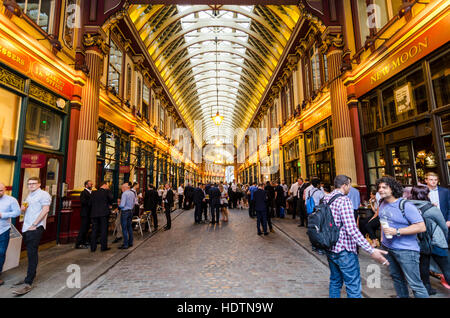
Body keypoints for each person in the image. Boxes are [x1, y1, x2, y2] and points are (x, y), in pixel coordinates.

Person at [323, 175, 389, 298]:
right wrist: (370, 249)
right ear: (344, 185)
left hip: (330, 247)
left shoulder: (326, 198)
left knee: (335, 281)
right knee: (353, 285)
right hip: (344, 249)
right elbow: (351, 229)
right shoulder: (344, 200)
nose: (350, 188)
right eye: (349, 185)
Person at [377, 176, 429, 298]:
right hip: (389, 248)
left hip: (406, 250)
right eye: (379, 187)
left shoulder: (405, 205)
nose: (380, 190)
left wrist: (397, 231)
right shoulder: (383, 203)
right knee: (397, 280)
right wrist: (382, 239)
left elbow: (421, 227)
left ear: (393, 188)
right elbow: (383, 221)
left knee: (415, 284)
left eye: (384, 187)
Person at [12, 177, 51, 296]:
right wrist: (23, 210)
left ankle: (29, 282)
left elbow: (45, 210)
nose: (31, 185)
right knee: (30, 253)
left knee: (32, 253)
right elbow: (26, 211)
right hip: (26, 227)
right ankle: (28, 277)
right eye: (29, 184)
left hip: (35, 227)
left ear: (39, 184)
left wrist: (35, 224)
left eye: (33, 183)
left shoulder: (44, 194)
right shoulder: (29, 195)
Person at [409, 185, 450, 295]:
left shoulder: (408, 208)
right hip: (436, 242)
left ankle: (427, 288)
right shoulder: (432, 209)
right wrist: (444, 238)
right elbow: (444, 227)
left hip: (419, 242)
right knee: (446, 267)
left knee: (423, 266)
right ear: (425, 195)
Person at [0, 183, 20, 286]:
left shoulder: (11, 200)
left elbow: (17, 212)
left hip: (3, 230)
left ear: (5, 190)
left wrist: (3, 215)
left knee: (1, 253)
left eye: (1, 191)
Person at [424, 172, 450, 239]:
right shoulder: (423, 192)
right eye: (431, 179)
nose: (433, 182)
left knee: (445, 240)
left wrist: (449, 220)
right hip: (428, 222)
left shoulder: (445, 191)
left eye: (435, 180)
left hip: (444, 220)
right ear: (426, 180)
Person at [75, 180, 93, 249]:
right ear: (86, 185)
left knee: (87, 228)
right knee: (83, 228)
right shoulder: (83, 193)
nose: (91, 185)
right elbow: (83, 201)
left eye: (92, 184)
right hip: (85, 213)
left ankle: (84, 241)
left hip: (89, 214)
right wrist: (91, 202)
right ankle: (78, 243)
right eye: (90, 184)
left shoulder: (91, 192)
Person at [118, 182, 135, 249]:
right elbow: (133, 203)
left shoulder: (124, 194)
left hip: (125, 212)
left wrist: (118, 207)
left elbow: (122, 204)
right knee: (129, 227)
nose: (121, 189)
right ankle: (130, 242)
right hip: (131, 211)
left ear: (125, 188)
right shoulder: (132, 193)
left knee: (124, 228)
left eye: (122, 187)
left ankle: (125, 244)